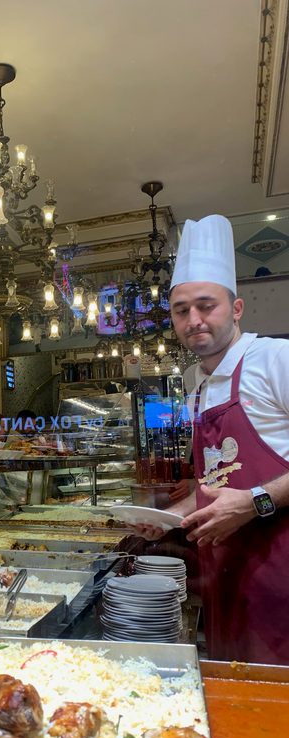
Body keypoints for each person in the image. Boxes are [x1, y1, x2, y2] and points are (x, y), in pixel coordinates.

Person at [133, 214, 289, 665]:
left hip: (280, 576)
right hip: (224, 579)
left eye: (206, 305)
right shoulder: (194, 383)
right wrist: (169, 517)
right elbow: (216, 482)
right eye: (182, 310)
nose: (194, 320)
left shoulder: (276, 359)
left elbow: (245, 494)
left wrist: (256, 501)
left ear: (236, 308)